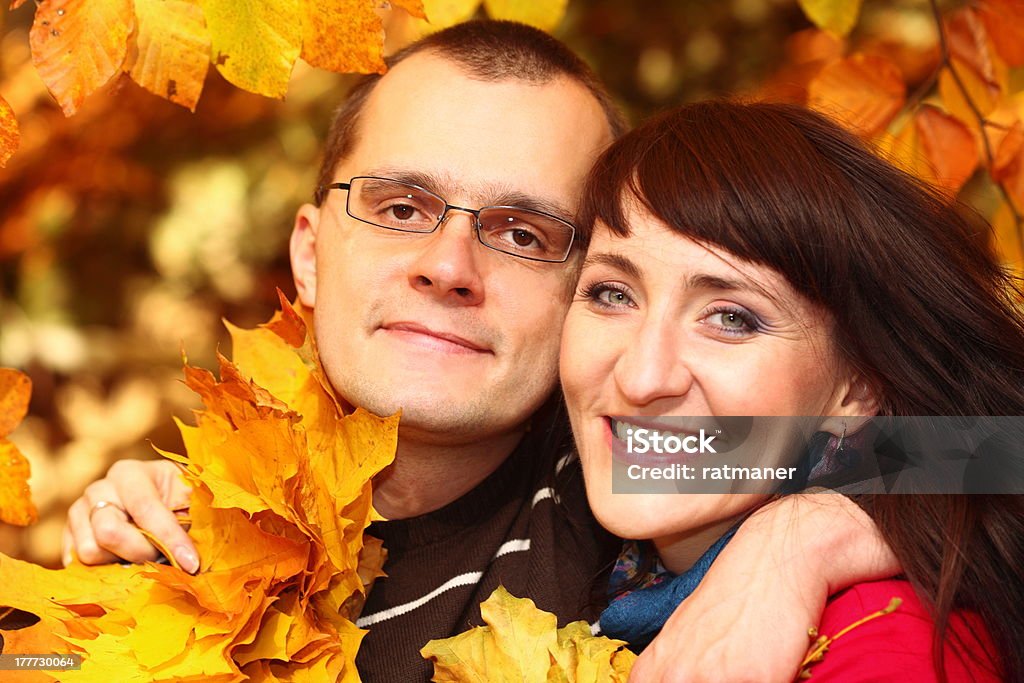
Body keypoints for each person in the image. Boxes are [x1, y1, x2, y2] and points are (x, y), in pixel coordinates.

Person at [61, 23, 898, 682]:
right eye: (398, 208)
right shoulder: (183, 524)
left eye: (523, 232)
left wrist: (805, 534)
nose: (448, 266)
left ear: (588, 288)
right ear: (310, 255)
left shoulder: (630, 467)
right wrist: (95, 616)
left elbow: (994, 454)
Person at [563, 99, 1024, 681]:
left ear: (856, 387)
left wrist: (800, 539)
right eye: (612, 294)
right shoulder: (584, 534)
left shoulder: (885, 648)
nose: (641, 378)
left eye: (731, 318)